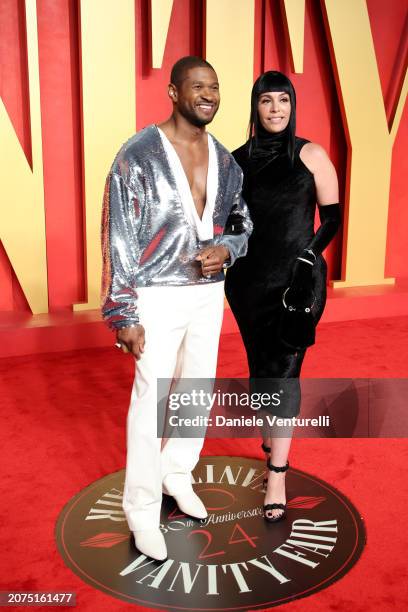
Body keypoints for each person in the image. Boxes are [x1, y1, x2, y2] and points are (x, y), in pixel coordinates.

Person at [101, 56, 252, 560]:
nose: (208, 95)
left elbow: (241, 222)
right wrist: (123, 312)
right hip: (157, 296)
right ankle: (141, 510)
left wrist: (228, 248)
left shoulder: (226, 160)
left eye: (214, 87)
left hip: (209, 294)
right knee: (150, 403)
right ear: (172, 92)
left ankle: (177, 473)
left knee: (196, 391)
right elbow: (118, 236)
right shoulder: (138, 155)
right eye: (197, 87)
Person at [225, 71, 341, 523]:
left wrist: (308, 258)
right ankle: (271, 436)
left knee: (285, 371)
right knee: (261, 373)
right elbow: (231, 223)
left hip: (298, 281)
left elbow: (330, 218)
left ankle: (277, 473)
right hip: (248, 283)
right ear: (255, 107)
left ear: (293, 106)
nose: (275, 109)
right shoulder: (235, 161)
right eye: (266, 101)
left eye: (283, 101)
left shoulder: (310, 154)